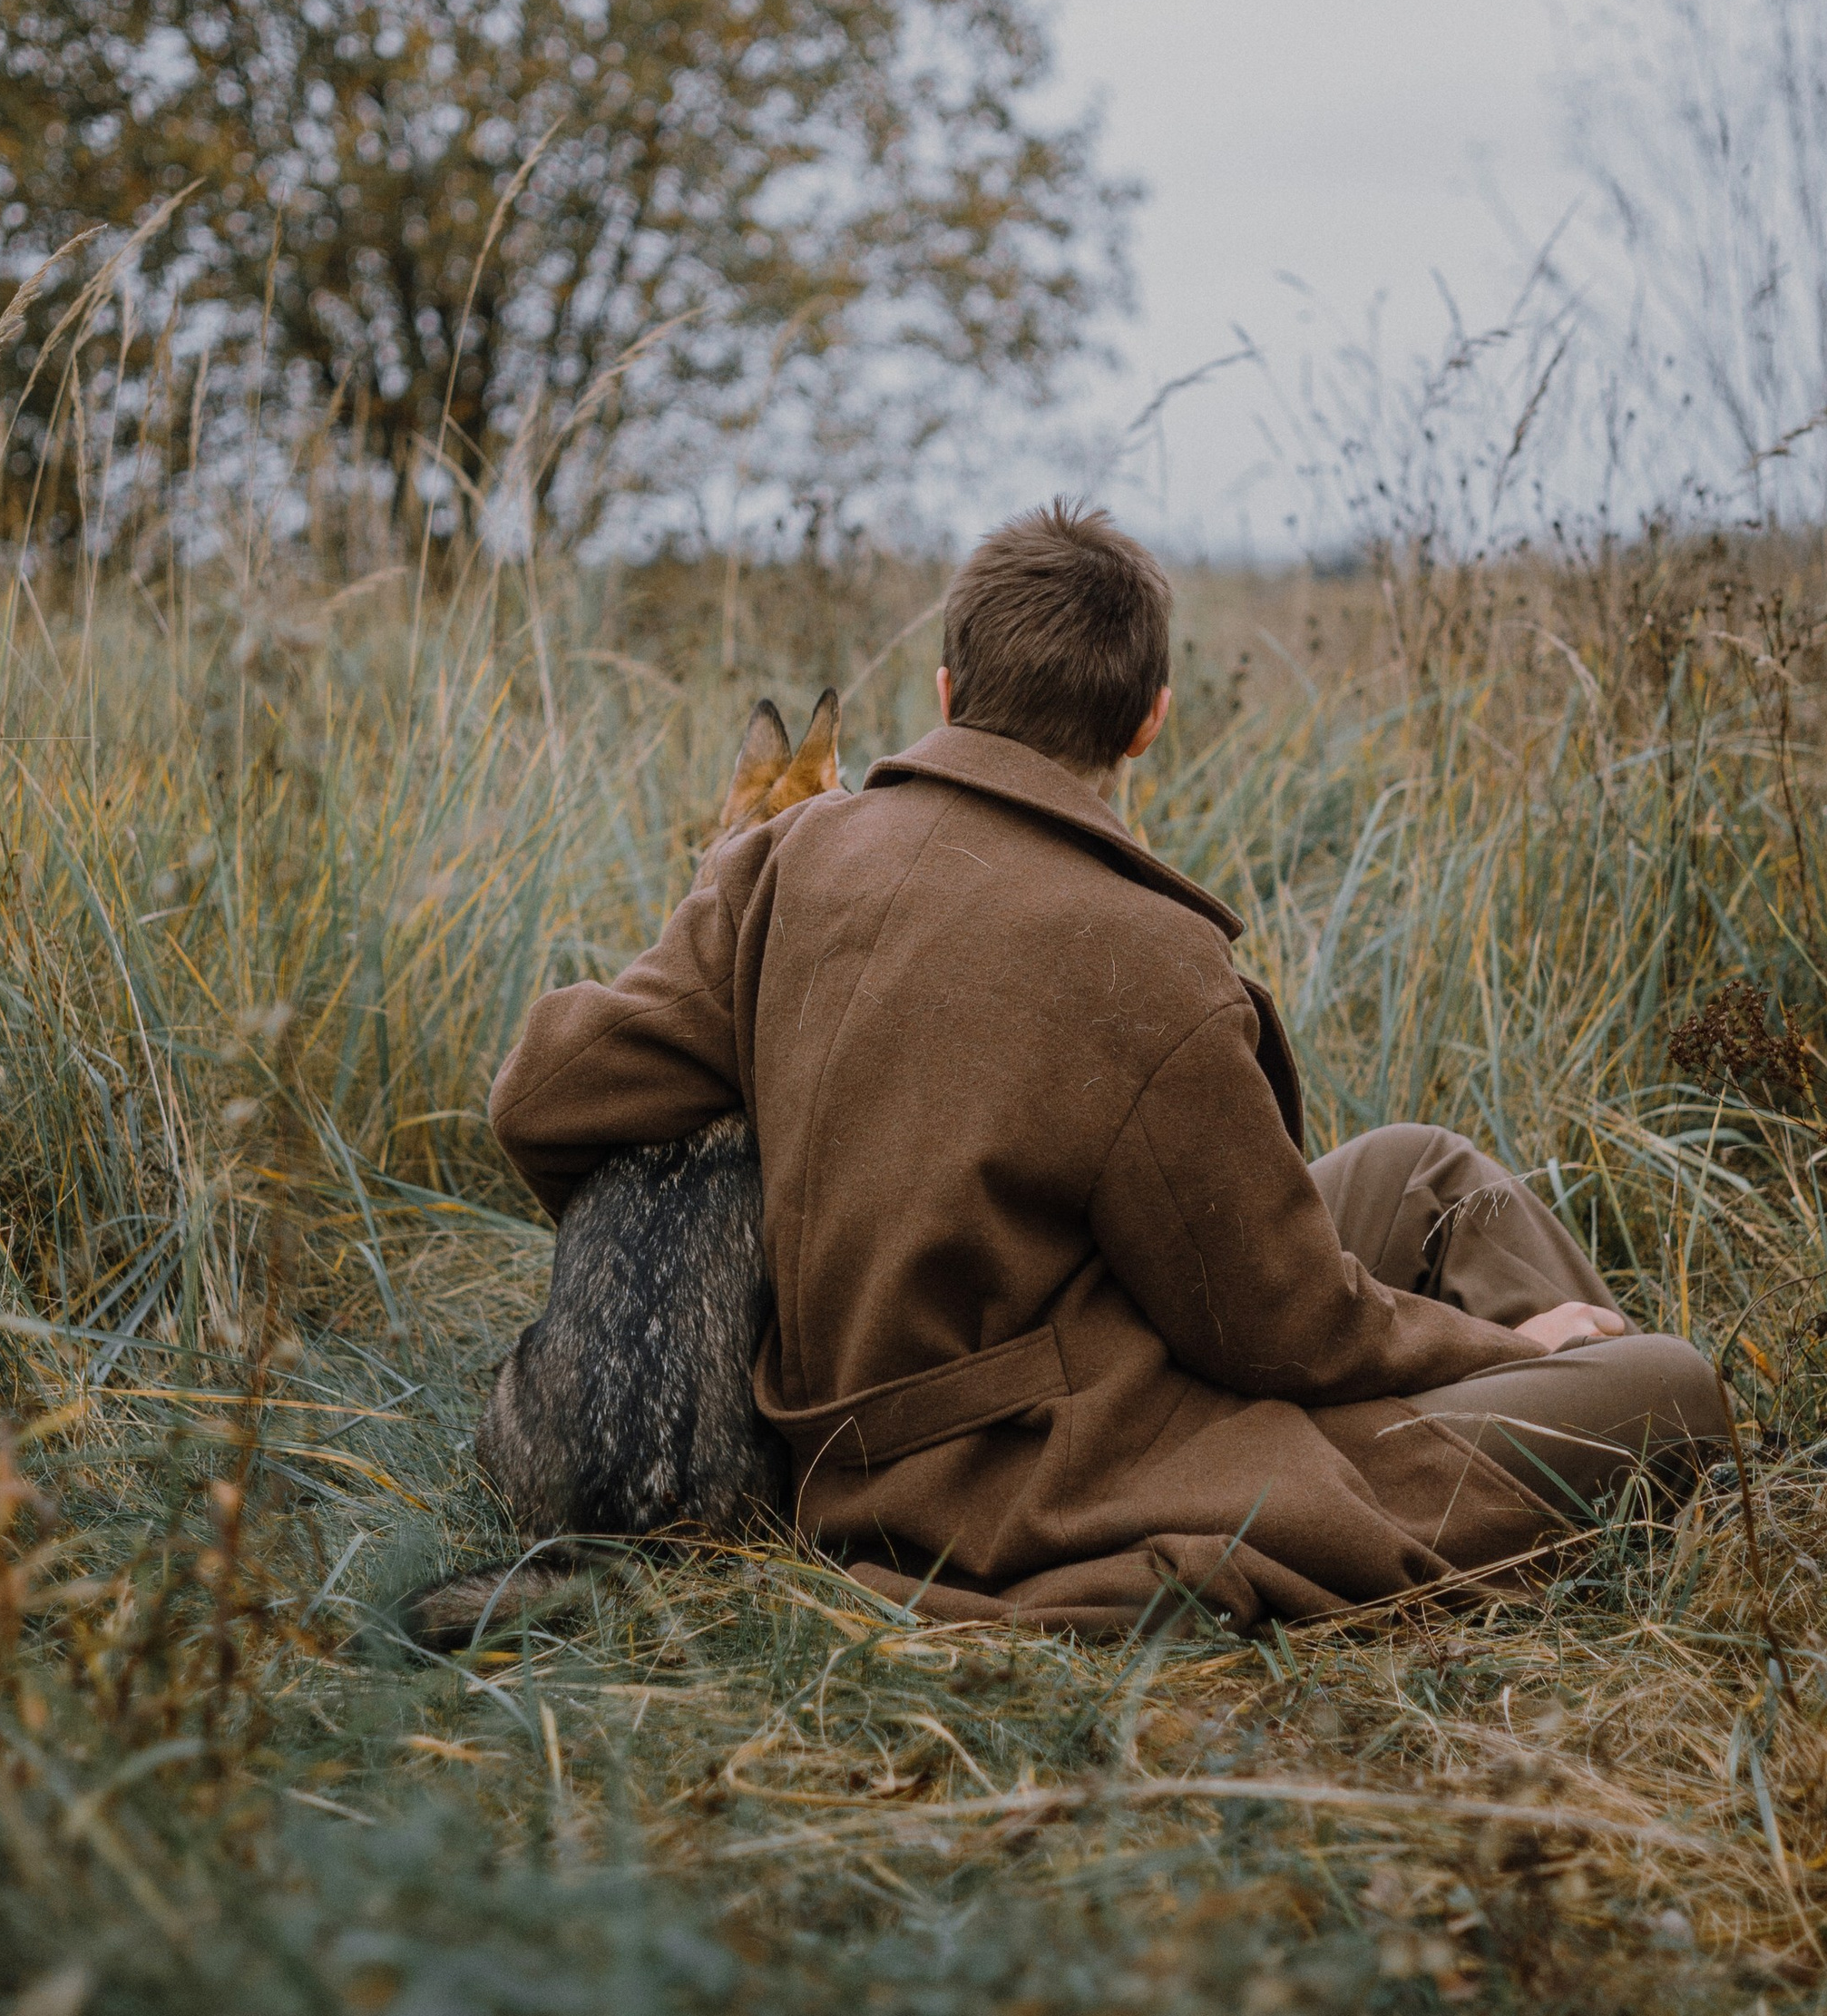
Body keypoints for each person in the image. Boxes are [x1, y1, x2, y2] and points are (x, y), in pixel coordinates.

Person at [487, 503, 1726, 1635]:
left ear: (948, 687)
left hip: (932, 1395)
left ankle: (1523, 1421)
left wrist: (801, 1171)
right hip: (1018, 1487)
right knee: (1674, 1389)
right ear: (1150, 719)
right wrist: (1505, 1353)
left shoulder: (785, 862)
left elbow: (543, 1095)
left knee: (1424, 1172)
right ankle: (1516, 1450)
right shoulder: (1146, 954)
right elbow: (1277, 1328)